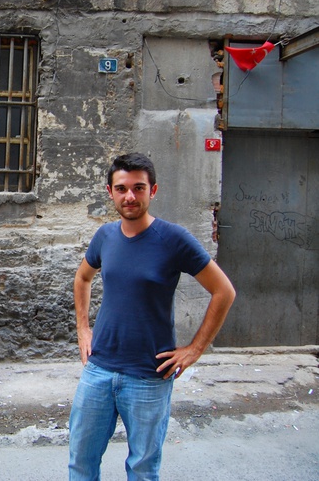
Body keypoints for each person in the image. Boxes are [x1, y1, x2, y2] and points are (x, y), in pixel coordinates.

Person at [68, 153, 236, 480]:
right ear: (110, 192)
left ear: (152, 191)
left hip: (148, 376)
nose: (130, 196)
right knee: (80, 462)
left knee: (143, 469)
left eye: (138, 188)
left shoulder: (173, 240)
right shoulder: (105, 236)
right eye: (122, 189)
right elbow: (83, 278)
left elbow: (224, 291)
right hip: (98, 370)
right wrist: (83, 329)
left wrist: (195, 349)